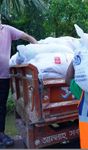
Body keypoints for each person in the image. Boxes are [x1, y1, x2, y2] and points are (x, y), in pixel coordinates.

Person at [0, 14, 37, 147]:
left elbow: (26, 37)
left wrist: (38, 45)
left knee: (1, 106)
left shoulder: (7, 30)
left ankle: (1, 134)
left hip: (3, 76)